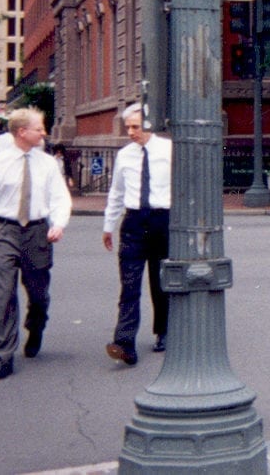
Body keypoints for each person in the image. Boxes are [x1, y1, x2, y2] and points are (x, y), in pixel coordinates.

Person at [0, 107, 72, 380]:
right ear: (22, 132)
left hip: (37, 232)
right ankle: (3, 354)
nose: (44, 133)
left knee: (38, 293)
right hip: (5, 231)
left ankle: (36, 326)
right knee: (4, 293)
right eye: (39, 128)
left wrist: (58, 223)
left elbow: (60, 197)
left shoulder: (47, 163)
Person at [103, 103, 171, 366]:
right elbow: (117, 192)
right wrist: (108, 226)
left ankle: (163, 331)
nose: (130, 132)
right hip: (133, 222)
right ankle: (124, 342)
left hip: (161, 220)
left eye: (135, 126)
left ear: (149, 124)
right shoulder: (125, 155)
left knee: (160, 280)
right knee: (129, 285)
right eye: (127, 127)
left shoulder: (169, 150)